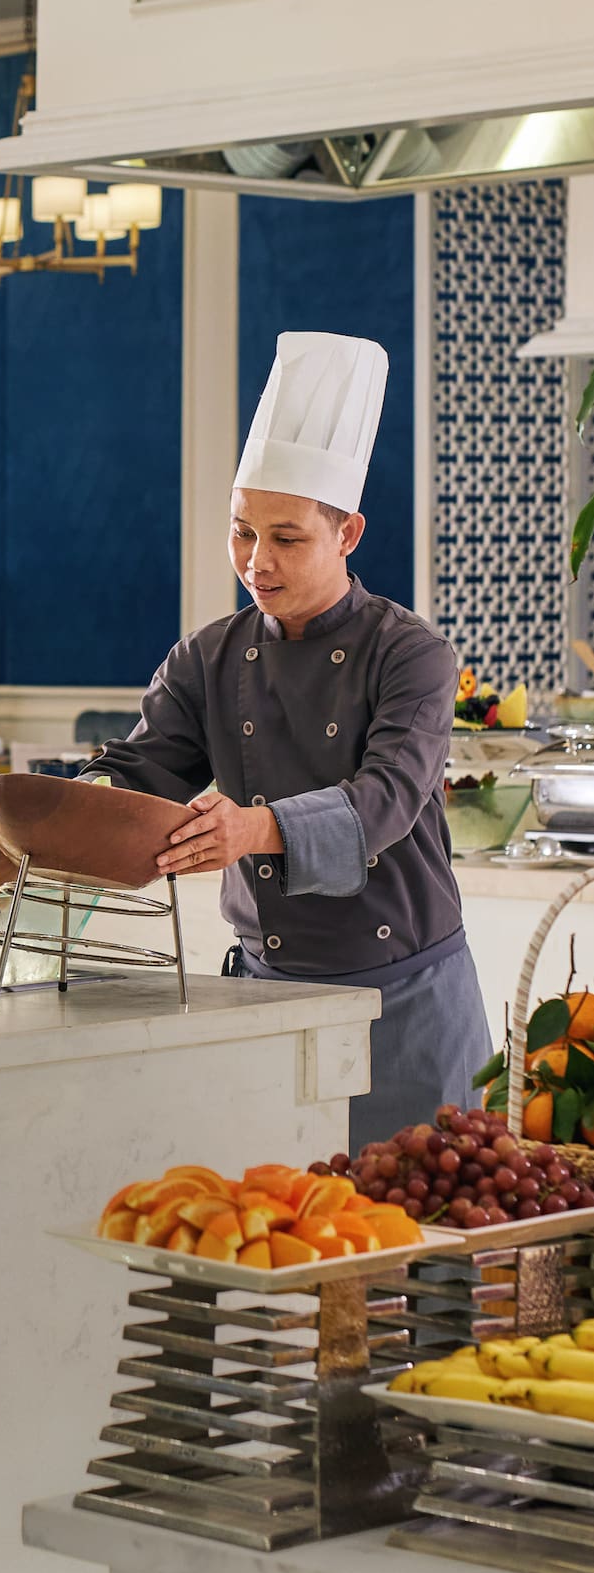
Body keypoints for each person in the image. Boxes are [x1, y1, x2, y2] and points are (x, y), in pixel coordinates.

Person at [88, 331, 488, 1153]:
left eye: (285, 537)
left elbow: (384, 802)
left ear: (347, 534)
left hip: (404, 1001)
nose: (254, 561)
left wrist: (249, 830)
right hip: (264, 999)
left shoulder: (411, 654)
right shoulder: (207, 656)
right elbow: (138, 772)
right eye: (241, 532)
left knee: (429, 1253)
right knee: (284, 1248)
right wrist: (64, 810)